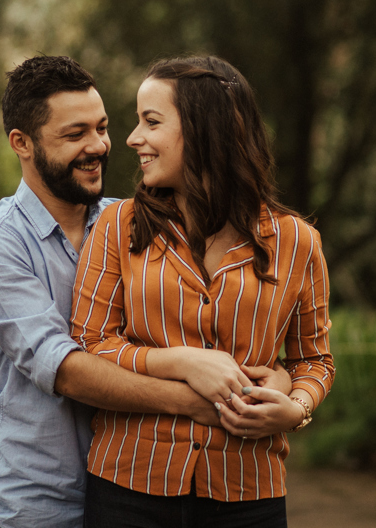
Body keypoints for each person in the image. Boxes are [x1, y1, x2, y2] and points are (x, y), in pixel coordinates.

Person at [0, 56, 292, 528]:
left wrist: (277, 382)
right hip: (34, 505)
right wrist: (202, 402)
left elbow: (214, 331)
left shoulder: (134, 222)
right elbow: (68, 371)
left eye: (102, 127)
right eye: (75, 135)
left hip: (135, 498)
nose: (98, 146)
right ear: (23, 143)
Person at [72, 55, 336, 527]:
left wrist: (295, 410)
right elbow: (90, 344)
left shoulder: (298, 242)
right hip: (128, 486)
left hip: (249, 494)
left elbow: (314, 360)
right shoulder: (118, 227)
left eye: (151, 122)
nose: (132, 139)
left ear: (203, 130)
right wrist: (182, 362)